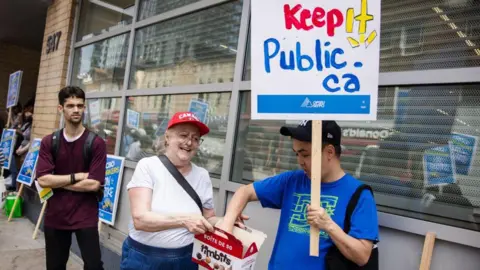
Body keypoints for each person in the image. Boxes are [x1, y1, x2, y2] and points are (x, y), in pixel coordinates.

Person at [217, 120, 379, 270]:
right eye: (296, 154)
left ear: (329, 152)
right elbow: (245, 192)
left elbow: (362, 256)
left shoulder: (359, 194)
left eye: (305, 154)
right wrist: (227, 225)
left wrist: (329, 226)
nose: (300, 161)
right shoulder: (293, 180)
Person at [121, 112, 223, 270]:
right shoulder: (148, 166)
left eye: (195, 138)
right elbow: (140, 220)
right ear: (167, 137)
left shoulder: (202, 176)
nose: (189, 142)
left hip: (186, 259)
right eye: (183, 135)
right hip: (144, 259)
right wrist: (184, 220)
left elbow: (208, 219)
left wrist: (227, 220)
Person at [36, 86, 106, 270]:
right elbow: (43, 180)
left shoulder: (96, 143)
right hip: (56, 215)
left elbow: (93, 184)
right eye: (70, 105)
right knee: (55, 266)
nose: (76, 110)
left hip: (86, 215)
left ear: (84, 107)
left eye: (80, 105)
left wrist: (58, 182)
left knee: (94, 266)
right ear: (61, 108)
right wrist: (76, 176)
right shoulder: (50, 142)